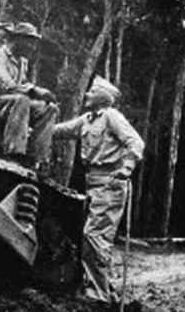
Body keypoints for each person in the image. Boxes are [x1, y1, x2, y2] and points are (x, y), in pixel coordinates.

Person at [53, 76, 144, 306]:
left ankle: (98, 296)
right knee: (91, 238)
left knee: (95, 236)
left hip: (110, 184)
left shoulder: (112, 117)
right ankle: (104, 290)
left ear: (103, 97)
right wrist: (35, 128)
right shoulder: (87, 119)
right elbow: (61, 130)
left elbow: (136, 143)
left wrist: (126, 168)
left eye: (92, 92)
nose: (87, 95)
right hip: (93, 183)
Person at [0, 22, 59, 171]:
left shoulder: (22, 62)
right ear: (18, 40)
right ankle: (14, 153)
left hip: (10, 103)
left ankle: (38, 159)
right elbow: (4, 85)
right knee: (21, 100)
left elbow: (23, 84)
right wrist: (34, 91)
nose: (32, 47)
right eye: (30, 42)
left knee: (49, 109)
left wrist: (42, 94)